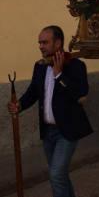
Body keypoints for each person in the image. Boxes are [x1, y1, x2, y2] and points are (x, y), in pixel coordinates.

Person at [7, 26, 92, 197]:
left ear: (58, 43)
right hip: (48, 132)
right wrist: (20, 105)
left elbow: (80, 92)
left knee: (56, 174)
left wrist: (59, 75)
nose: (40, 46)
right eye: (39, 42)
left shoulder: (76, 65)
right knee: (59, 175)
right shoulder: (39, 66)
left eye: (45, 42)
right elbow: (33, 92)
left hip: (67, 131)